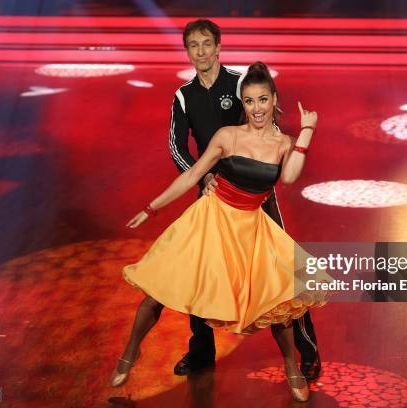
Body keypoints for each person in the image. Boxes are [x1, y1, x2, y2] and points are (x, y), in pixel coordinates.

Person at [109, 61, 326, 402]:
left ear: (273, 100)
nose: (257, 108)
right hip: (210, 220)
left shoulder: (283, 142)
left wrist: (308, 131)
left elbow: (289, 178)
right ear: (243, 103)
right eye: (250, 101)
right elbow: (192, 175)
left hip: (251, 227)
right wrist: (151, 207)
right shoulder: (228, 136)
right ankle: (130, 353)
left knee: (279, 303)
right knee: (158, 291)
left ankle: (291, 366)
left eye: (262, 100)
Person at [168, 18, 321, 381]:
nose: (201, 51)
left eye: (207, 44)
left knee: (284, 274)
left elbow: (267, 121)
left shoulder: (240, 83)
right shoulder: (183, 95)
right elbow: (176, 145)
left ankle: (307, 350)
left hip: (256, 195)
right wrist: (203, 176)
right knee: (199, 273)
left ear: (219, 46)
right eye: (194, 45)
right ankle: (202, 352)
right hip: (213, 194)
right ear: (187, 50)